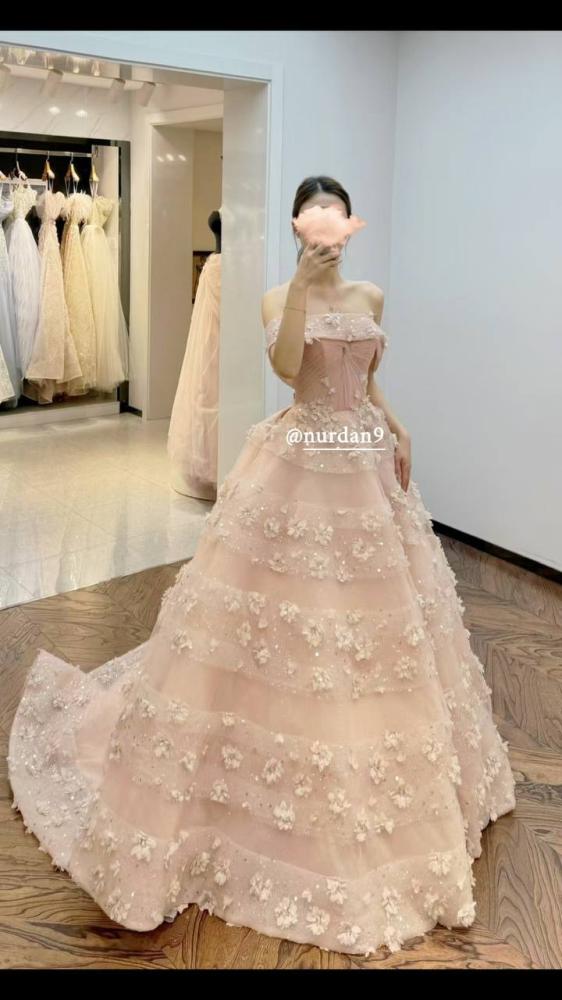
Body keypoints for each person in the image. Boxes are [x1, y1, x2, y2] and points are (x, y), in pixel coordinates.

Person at [7, 175, 516, 957]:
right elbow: (286, 369)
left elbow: (366, 379)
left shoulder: (373, 297)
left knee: (379, 630)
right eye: (313, 222)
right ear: (298, 229)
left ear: (348, 225)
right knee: (278, 623)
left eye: (336, 219)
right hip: (299, 464)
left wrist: (398, 426)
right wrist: (305, 288)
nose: (326, 231)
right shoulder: (278, 297)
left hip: (364, 464)